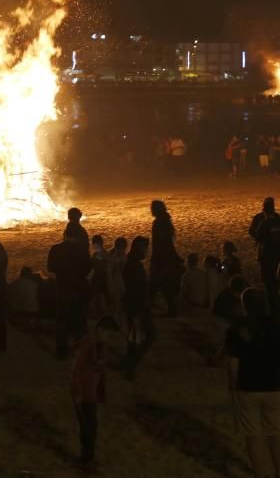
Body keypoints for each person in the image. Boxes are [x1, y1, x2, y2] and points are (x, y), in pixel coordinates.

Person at [225, 288, 280, 478]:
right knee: (274, 433)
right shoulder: (276, 326)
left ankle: (261, 473)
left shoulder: (237, 328)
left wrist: (233, 387)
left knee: (252, 434)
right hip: (271, 385)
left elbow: (233, 363)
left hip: (247, 384)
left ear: (245, 306)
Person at [71, 315, 119, 470]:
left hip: (90, 393)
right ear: (100, 331)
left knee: (91, 426)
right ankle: (86, 460)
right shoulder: (88, 345)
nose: (110, 339)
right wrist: (77, 391)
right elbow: (76, 369)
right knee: (88, 428)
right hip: (84, 394)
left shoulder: (97, 345)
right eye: (109, 335)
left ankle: (88, 458)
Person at [47, 228, 92, 359]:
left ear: (64, 235)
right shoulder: (82, 251)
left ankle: (61, 352)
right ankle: (81, 351)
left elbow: (50, 267)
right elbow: (88, 268)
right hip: (79, 289)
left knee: (62, 322)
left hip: (63, 289)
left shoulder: (56, 249)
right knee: (80, 322)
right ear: (77, 237)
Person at [249, 198, 280, 317]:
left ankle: (274, 308)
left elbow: (255, 234)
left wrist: (261, 238)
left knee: (269, 283)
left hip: (266, 255)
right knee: (278, 281)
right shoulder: (279, 219)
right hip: (279, 255)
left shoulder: (262, 220)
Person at [122, 236, 154, 379]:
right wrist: (136, 314)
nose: (146, 251)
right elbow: (134, 291)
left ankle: (129, 364)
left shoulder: (132, 264)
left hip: (137, 308)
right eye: (145, 248)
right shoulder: (133, 266)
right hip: (138, 309)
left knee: (135, 339)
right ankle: (130, 367)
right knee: (145, 337)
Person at [149, 200, 182, 317]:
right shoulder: (166, 221)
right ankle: (171, 309)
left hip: (161, 257)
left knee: (156, 283)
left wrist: (155, 258)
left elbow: (158, 243)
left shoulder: (158, 223)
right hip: (168, 256)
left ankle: (149, 308)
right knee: (166, 284)